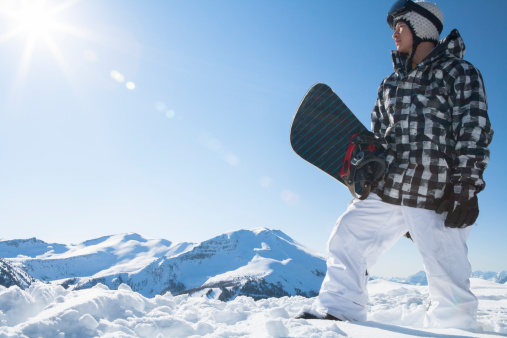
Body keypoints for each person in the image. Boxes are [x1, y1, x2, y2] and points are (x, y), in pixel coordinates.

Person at [296, 0, 493, 330]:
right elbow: (377, 135)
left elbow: (473, 129)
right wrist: (365, 166)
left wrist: (466, 188)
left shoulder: (459, 73)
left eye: (399, 28)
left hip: (437, 189)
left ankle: (455, 330)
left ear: (421, 30)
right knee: (348, 235)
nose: (394, 36)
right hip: (389, 185)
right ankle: (340, 307)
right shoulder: (388, 85)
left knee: (447, 274)